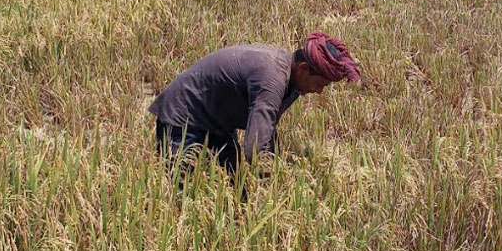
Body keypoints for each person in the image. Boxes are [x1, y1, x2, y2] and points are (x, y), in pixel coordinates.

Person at [149, 32, 361, 180]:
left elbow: (267, 127)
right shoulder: (272, 78)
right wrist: (271, 182)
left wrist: (276, 162)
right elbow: (255, 149)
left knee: (236, 184)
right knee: (182, 188)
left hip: (217, 122)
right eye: (319, 84)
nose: (319, 91)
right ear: (304, 68)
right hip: (183, 116)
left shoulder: (293, 81)